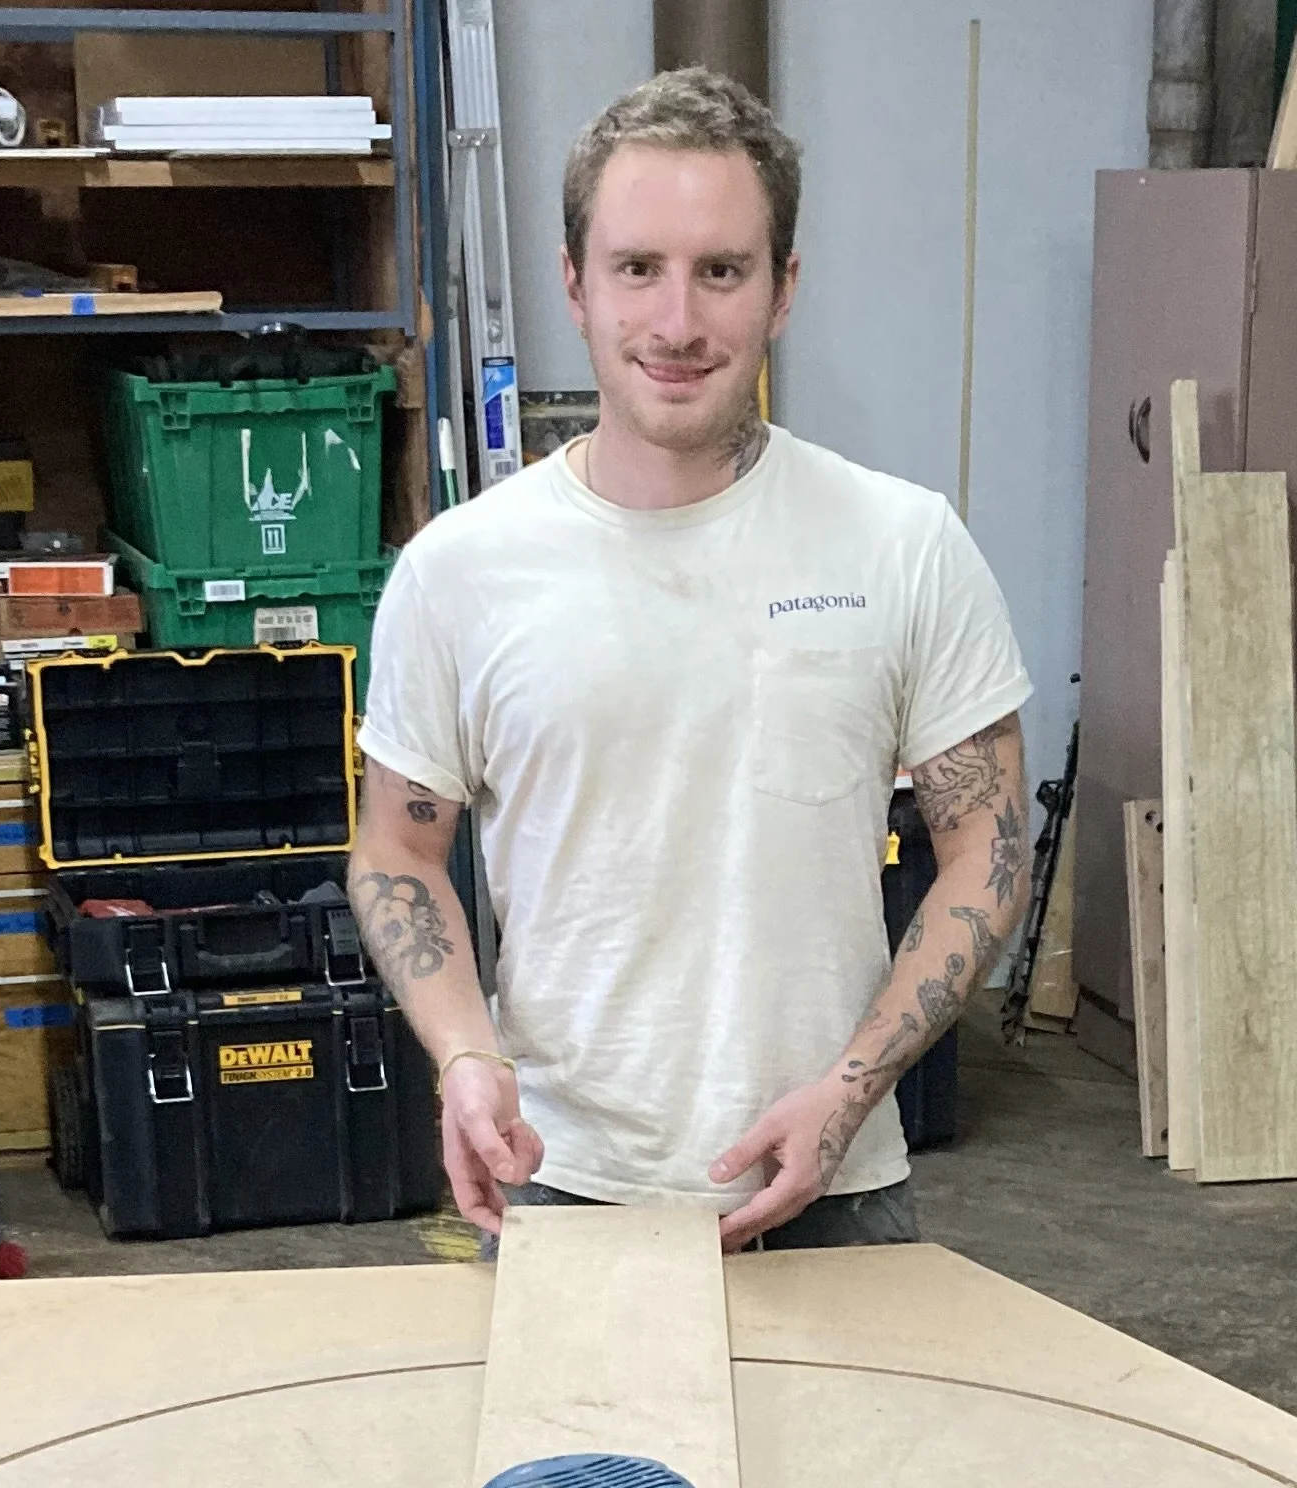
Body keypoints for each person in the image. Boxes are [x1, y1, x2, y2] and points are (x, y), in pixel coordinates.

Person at [351, 66, 1033, 1252]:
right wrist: (464, 1055)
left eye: (721, 270)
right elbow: (399, 848)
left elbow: (988, 846)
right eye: (636, 269)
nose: (676, 323)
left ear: (783, 290)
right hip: (566, 1186)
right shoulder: (460, 572)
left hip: (838, 1183)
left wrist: (850, 1089)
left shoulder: (902, 544)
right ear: (572, 282)